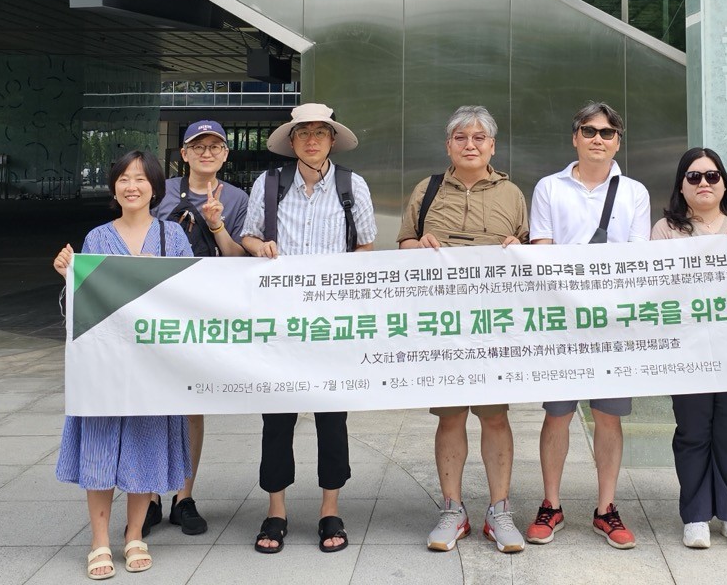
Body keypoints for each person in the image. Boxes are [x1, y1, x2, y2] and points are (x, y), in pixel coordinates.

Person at [239, 103, 376, 554]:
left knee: (331, 418)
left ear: (332, 139)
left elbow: (364, 247)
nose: (312, 140)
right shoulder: (270, 183)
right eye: (303, 133)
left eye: (321, 132)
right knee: (276, 418)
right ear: (292, 141)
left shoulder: (351, 185)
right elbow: (249, 234)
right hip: (279, 321)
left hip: (331, 323)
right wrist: (260, 247)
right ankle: (275, 510)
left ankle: (329, 509)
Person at [52, 149, 192, 579]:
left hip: (153, 365)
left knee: (144, 444)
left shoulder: (173, 237)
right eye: (124, 179)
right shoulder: (96, 239)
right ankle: (98, 541)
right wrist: (68, 275)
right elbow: (87, 302)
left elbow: (193, 295)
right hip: (105, 365)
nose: (132, 186)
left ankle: (134, 535)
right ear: (114, 187)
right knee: (99, 442)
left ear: (155, 188)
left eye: (141, 179)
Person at [397, 105, 529, 554]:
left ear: (492, 145)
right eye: (460, 137)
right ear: (448, 145)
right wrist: (419, 245)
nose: (469, 145)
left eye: (478, 138)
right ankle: (452, 510)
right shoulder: (427, 189)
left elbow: (530, 252)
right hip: (442, 326)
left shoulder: (512, 193)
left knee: (494, 415)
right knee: (450, 415)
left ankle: (500, 512)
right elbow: (402, 246)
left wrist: (517, 247)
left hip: (493, 326)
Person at [526, 102, 651, 549]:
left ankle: (606, 508)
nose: (599, 138)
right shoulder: (548, 187)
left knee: (609, 418)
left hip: (613, 323)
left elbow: (635, 259)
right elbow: (541, 249)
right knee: (556, 414)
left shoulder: (634, 192)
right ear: (575, 137)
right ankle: (551, 504)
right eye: (589, 130)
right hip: (561, 320)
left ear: (618, 140)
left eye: (608, 132)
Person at [139, 120, 249, 536]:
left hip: (205, 311)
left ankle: (184, 497)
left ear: (225, 154)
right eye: (197, 146)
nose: (207, 152)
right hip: (157, 306)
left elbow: (239, 257)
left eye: (215, 146)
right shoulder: (160, 191)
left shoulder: (237, 198)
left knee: (191, 403)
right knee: (151, 402)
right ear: (183, 154)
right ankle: (147, 496)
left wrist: (217, 223)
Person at [651, 147, 727, 552]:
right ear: (681, 184)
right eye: (694, 177)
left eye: (712, 176)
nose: (703, 184)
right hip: (688, 348)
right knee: (694, 431)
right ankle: (695, 515)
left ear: (724, 183)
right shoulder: (665, 230)